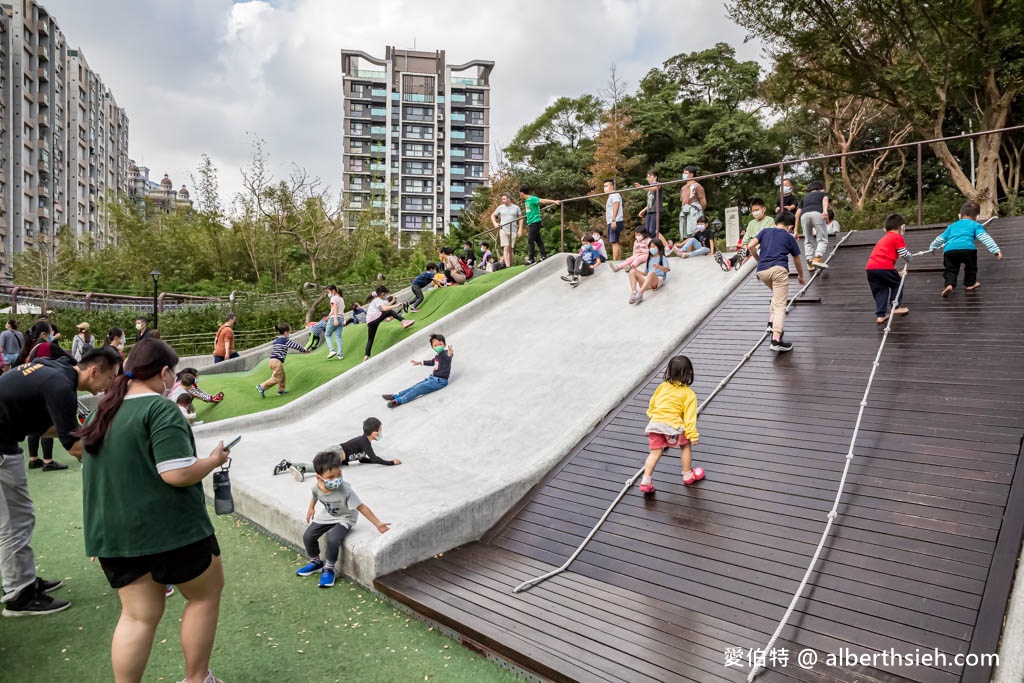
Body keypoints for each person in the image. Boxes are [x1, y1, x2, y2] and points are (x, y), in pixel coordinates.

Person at [76, 339, 229, 683]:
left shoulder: (104, 411)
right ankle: (196, 678)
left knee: (137, 617)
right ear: (164, 373)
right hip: (173, 532)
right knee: (205, 596)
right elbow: (175, 473)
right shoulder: (160, 410)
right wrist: (213, 461)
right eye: (172, 375)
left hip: (115, 536)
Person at [0, 346, 120, 616]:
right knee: (13, 522)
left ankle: (23, 581)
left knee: (19, 518)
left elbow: (53, 428)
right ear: (94, 371)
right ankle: (19, 595)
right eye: (110, 379)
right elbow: (75, 447)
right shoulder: (60, 386)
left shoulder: (57, 369)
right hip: (1, 447)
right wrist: (115, 456)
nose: (109, 387)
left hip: (6, 440)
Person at [296, 450, 390, 588]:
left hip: (346, 517)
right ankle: (315, 562)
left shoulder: (345, 490)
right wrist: (311, 508)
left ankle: (329, 568)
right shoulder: (316, 487)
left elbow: (362, 507)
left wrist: (377, 523)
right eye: (331, 476)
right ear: (319, 478)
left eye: (339, 474)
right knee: (308, 536)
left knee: (333, 539)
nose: (337, 479)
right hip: (328, 515)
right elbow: (315, 496)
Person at [638, 355, 703, 494]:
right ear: (689, 373)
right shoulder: (689, 394)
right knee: (685, 446)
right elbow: (690, 418)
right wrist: (693, 435)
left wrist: (652, 415)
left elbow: (653, 404)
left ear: (669, 371)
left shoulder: (662, 386)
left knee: (655, 453)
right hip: (672, 426)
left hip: (655, 424)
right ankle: (687, 474)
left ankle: (646, 481)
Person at [746, 212, 807, 353]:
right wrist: (800, 275)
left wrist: (758, 260)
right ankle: (776, 339)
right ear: (790, 227)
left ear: (776, 222)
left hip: (762, 272)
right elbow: (797, 259)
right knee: (781, 304)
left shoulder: (765, 231)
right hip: (779, 270)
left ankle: (771, 323)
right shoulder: (789, 236)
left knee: (777, 295)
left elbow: (750, 246)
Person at [21, 322, 70, 472]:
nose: (53, 335)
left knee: (33, 425)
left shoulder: (28, 347)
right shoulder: (47, 347)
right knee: (46, 423)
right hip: (44, 389)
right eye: (51, 332)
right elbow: (70, 360)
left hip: (28, 390)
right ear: (43, 334)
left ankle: (34, 459)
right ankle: (48, 461)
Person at [929, 200, 1003, 297]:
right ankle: (970, 284)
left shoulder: (952, 226)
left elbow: (941, 238)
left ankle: (950, 284)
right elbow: (985, 238)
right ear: (977, 217)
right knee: (971, 267)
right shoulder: (976, 225)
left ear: (959, 215)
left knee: (950, 269)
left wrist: (932, 247)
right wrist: (995, 250)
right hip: (968, 249)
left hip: (950, 250)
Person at [382, 334, 453, 408]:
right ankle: (397, 395)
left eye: (440, 344)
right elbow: (432, 362)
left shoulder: (445, 353)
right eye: (435, 345)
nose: (438, 346)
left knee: (419, 388)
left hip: (440, 381)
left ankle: (400, 400)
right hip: (432, 378)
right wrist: (420, 362)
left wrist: (449, 353)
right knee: (415, 386)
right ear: (432, 347)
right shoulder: (437, 356)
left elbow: (448, 357)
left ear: (444, 344)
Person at [866, 214, 913, 324]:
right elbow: (903, 253)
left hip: (871, 268)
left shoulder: (884, 239)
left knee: (880, 290)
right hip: (884, 267)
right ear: (902, 227)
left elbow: (883, 255)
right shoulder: (897, 237)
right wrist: (909, 258)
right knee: (897, 283)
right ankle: (895, 307)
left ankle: (881, 315)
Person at [257, 323, 310, 397]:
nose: (289, 333)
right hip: (277, 361)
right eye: (289, 332)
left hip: (272, 360)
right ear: (285, 332)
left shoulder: (276, 341)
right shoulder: (285, 341)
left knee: (282, 376)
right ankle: (261, 387)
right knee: (277, 378)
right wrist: (304, 350)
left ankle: (281, 390)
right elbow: (296, 346)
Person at [363, 286, 415, 361]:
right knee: (389, 311)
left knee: (370, 338)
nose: (386, 296)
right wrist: (396, 305)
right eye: (385, 295)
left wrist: (393, 301)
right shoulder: (377, 299)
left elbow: (384, 306)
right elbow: (384, 308)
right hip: (374, 318)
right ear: (382, 294)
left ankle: (366, 356)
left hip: (370, 322)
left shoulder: (375, 300)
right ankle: (404, 322)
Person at [518, 184, 559, 264]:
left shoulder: (532, 199)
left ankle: (531, 258)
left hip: (535, 222)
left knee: (530, 240)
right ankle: (544, 255)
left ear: (522, 193)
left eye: (519, 193)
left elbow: (542, 200)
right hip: (531, 222)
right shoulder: (527, 201)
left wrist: (554, 201)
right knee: (538, 240)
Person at [796, 180, 831, 270]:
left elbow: (797, 213)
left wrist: (795, 230)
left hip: (804, 216)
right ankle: (817, 258)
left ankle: (809, 261)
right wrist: (825, 211)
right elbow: (825, 199)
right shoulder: (821, 194)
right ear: (821, 189)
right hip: (817, 214)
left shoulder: (805, 197)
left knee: (808, 239)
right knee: (822, 238)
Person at [628, 237, 670, 305]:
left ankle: (640, 293)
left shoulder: (663, 258)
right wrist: (636, 270)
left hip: (657, 280)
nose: (652, 248)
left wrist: (659, 267)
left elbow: (667, 269)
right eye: (650, 247)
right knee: (632, 271)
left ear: (659, 247)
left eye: (654, 246)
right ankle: (634, 292)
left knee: (651, 273)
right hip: (647, 280)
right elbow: (645, 273)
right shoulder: (649, 259)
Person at [491, 192, 522, 270]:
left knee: (511, 248)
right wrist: (495, 223)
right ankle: (507, 266)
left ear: (509, 198)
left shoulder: (516, 208)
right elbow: (493, 215)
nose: (503, 201)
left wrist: (520, 229)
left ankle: (510, 265)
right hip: (503, 229)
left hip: (513, 230)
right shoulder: (500, 207)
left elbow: (521, 218)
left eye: (504, 199)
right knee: (506, 246)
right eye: (502, 199)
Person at [636, 169, 665, 242]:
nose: (648, 179)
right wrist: (643, 211)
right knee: (647, 231)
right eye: (647, 177)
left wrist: (642, 186)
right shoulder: (649, 190)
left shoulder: (658, 184)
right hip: (650, 211)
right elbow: (649, 203)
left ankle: (666, 246)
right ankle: (653, 246)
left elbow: (654, 188)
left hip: (656, 210)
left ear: (655, 177)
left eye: (649, 176)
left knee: (653, 230)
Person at [678, 166, 707, 238]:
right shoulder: (683, 188)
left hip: (694, 211)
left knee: (696, 232)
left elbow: (703, 201)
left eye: (685, 173)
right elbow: (683, 201)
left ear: (691, 174)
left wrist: (699, 212)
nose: (683, 175)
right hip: (685, 211)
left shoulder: (697, 186)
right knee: (687, 233)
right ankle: (688, 249)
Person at [603, 179, 625, 261]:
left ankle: (615, 260)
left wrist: (613, 219)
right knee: (615, 241)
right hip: (612, 221)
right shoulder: (611, 196)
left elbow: (616, 204)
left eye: (607, 186)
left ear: (612, 186)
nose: (605, 188)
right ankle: (618, 259)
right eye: (604, 186)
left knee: (614, 241)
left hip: (615, 221)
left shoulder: (614, 194)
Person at [323, 284, 345, 360]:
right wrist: (328, 317)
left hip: (334, 318)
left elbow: (335, 309)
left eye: (329, 292)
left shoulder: (333, 299)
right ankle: (340, 354)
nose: (328, 294)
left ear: (333, 290)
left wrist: (334, 319)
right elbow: (338, 310)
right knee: (338, 337)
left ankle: (332, 350)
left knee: (327, 334)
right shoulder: (341, 299)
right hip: (340, 318)